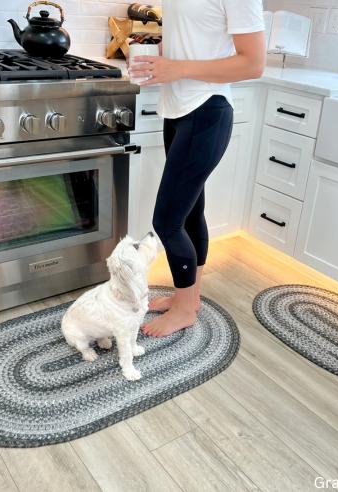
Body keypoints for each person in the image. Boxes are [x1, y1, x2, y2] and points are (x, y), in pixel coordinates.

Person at [129, 0, 266, 337]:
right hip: (175, 111)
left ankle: (185, 309)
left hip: (207, 111)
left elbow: (253, 63)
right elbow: (194, 36)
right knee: (190, 214)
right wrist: (162, 58)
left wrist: (179, 68)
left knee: (167, 221)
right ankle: (187, 297)